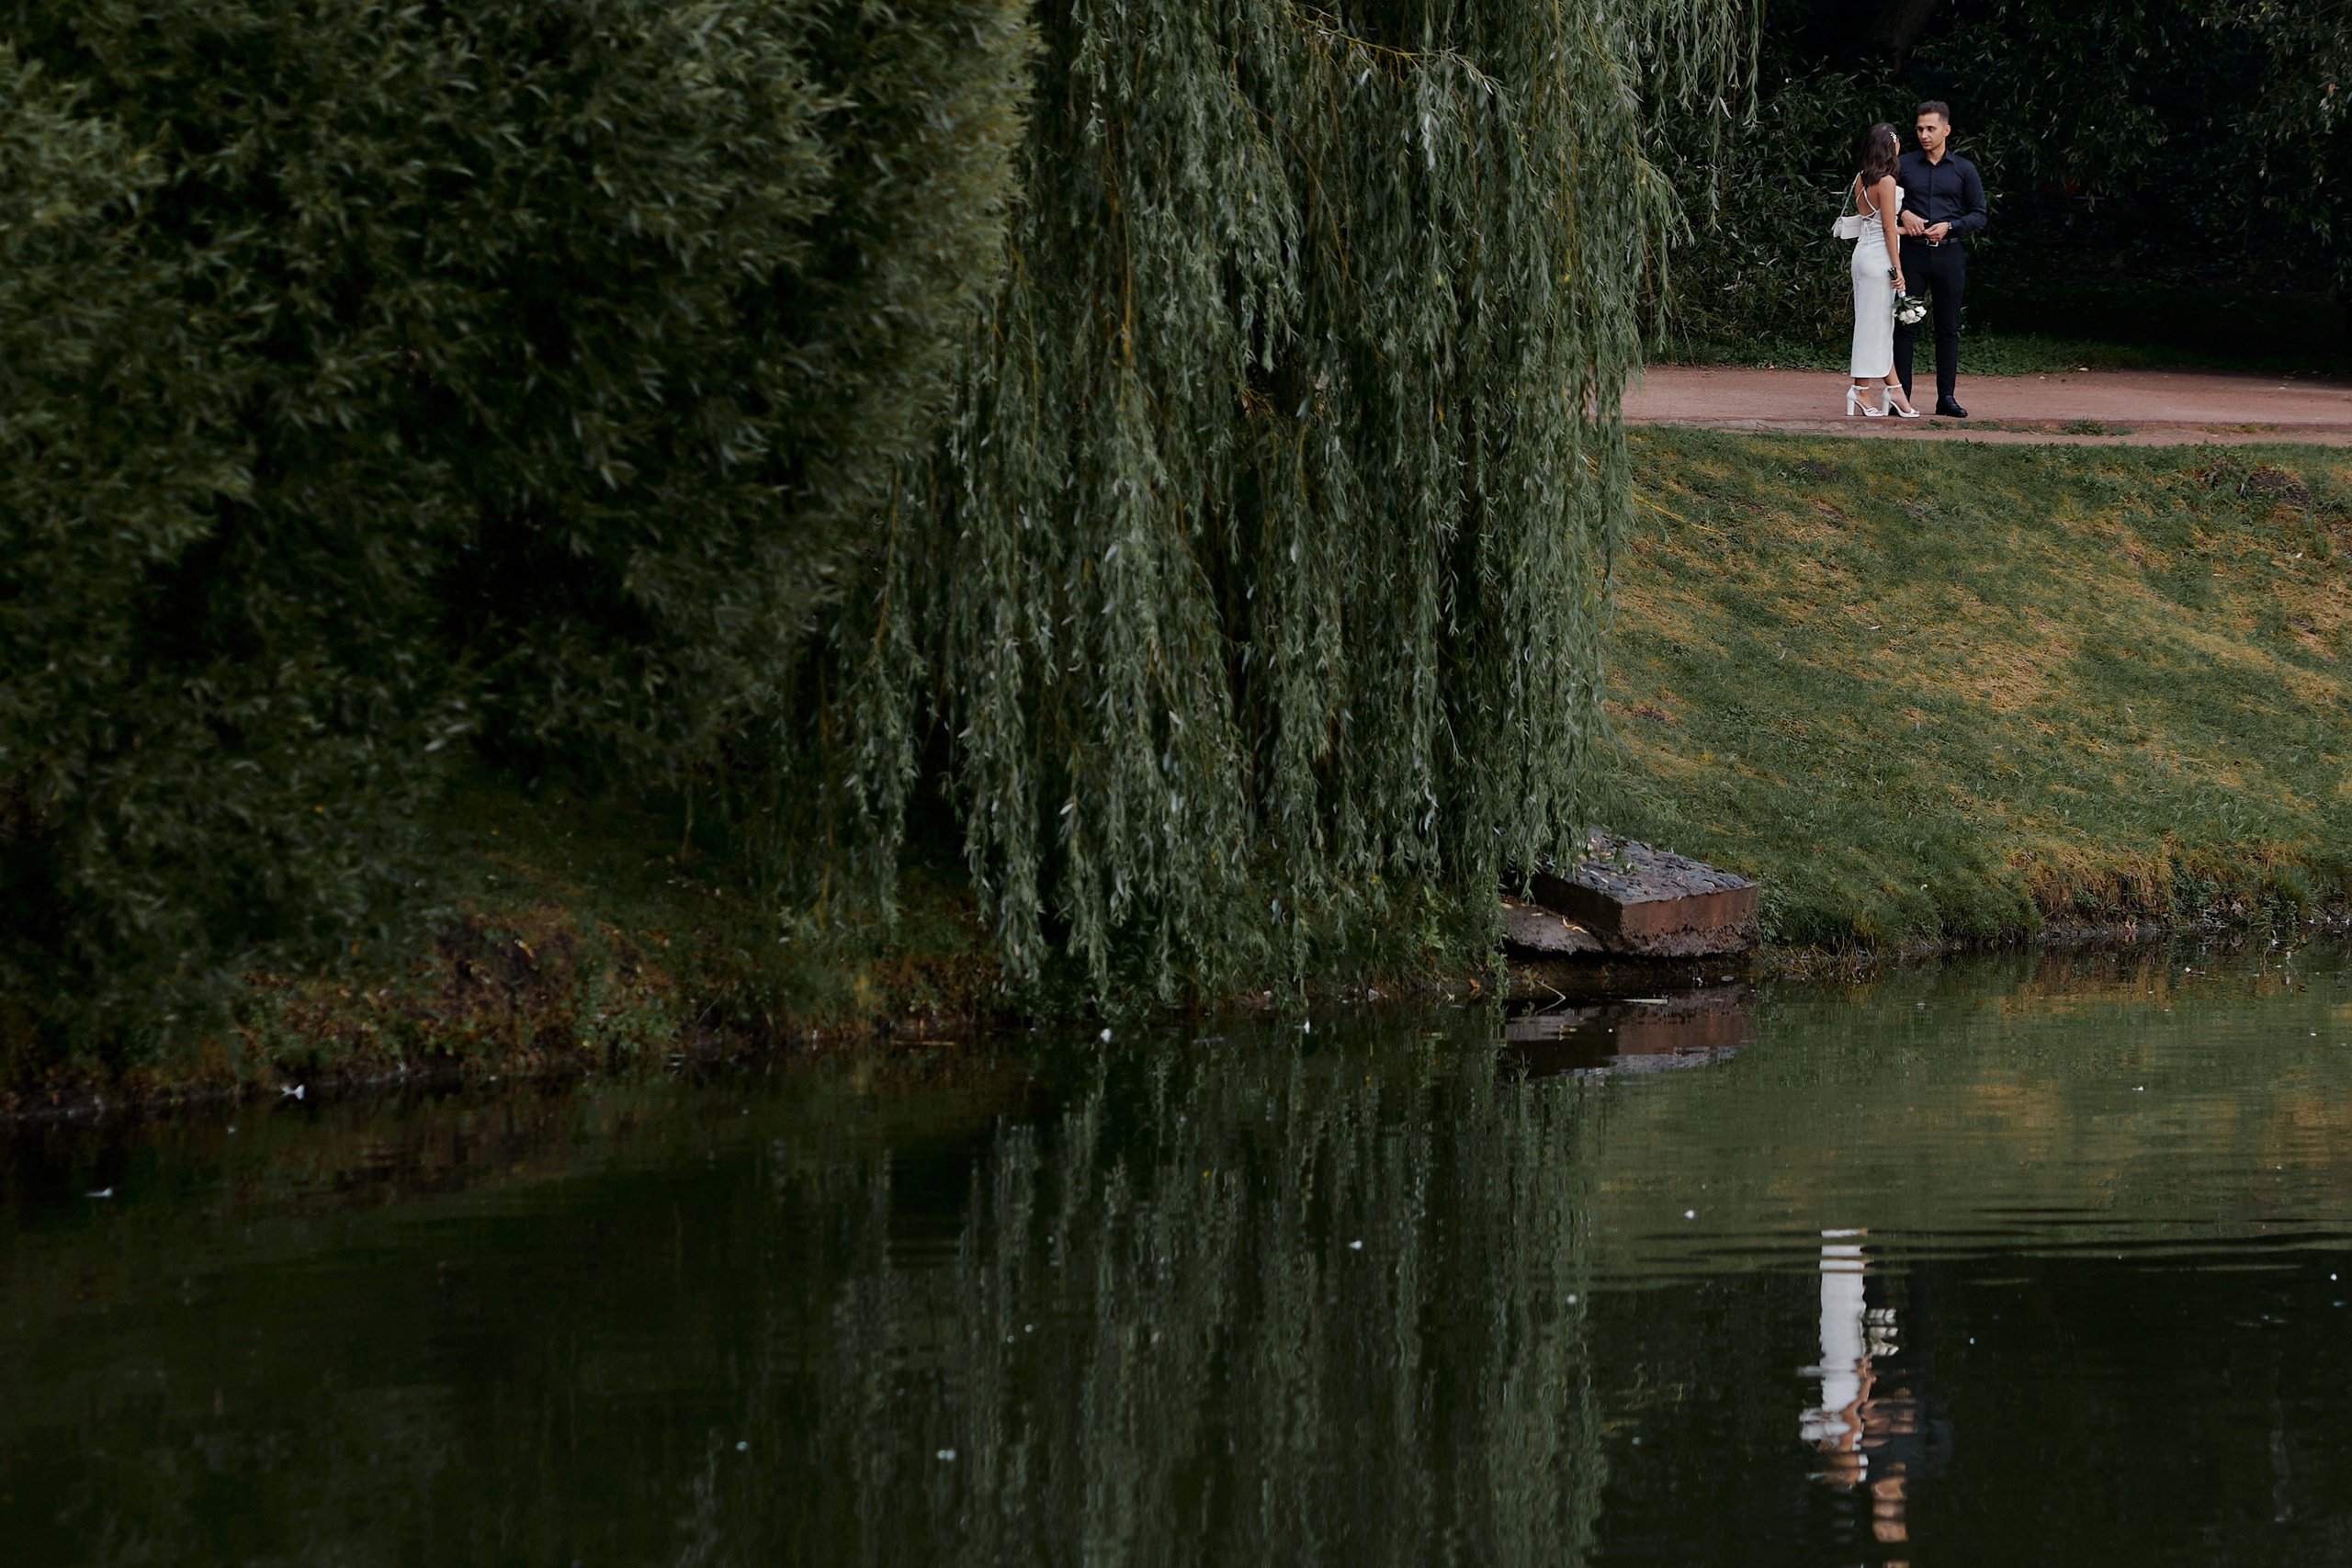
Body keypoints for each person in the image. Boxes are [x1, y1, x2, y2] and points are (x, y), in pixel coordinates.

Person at [1895, 101, 1987, 418]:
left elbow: (1980, 215)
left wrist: (1952, 225)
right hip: (1912, 253)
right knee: (1904, 326)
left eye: (1930, 129)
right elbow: (1874, 196)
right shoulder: (1903, 164)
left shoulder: (1964, 169)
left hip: (1949, 253)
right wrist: (1903, 212)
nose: (1923, 134)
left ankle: (1945, 398)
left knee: (1948, 328)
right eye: (1919, 128)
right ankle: (1901, 397)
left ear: (1946, 130)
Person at [1842, 122, 1917, 418]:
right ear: (1891, 146)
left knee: (1878, 327)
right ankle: (1860, 389)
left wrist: (1908, 227)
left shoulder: (1860, 179)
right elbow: (1887, 228)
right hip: (1878, 260)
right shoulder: (1885, 181)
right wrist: (1898, 269)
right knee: (1874, 328)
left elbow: (1875, 224)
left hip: (1862, 255)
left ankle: (1893, 388)